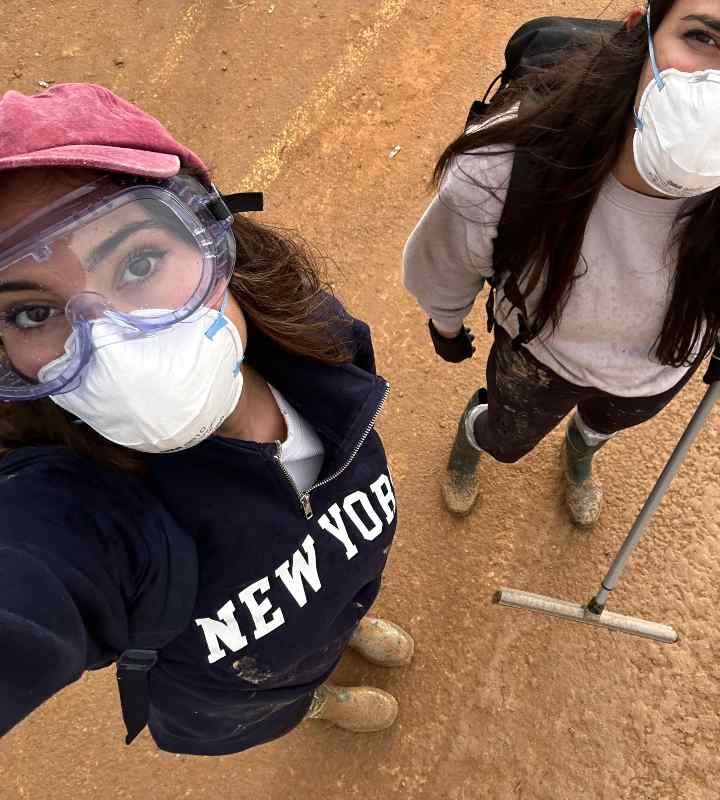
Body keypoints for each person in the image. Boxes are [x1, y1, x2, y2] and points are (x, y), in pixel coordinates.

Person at [0, 83, 412, 756]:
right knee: (279, 692)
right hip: (234, 696)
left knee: (337, 601)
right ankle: (311, 701)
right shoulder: (80, 519)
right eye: (30, 313)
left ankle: (340, 626)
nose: (110, 344)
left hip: (344, 578)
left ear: (214, 237)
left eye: (138, 261)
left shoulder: (318, 343)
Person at [404, 0, 720, 526]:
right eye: (704, 37)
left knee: (603, 426)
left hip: (653, 374)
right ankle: (476, 441)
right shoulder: (502, 165)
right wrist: (445, 323)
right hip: (537, 357)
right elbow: (445, 263)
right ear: (639, 30)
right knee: (506, 436)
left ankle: (582, 450)